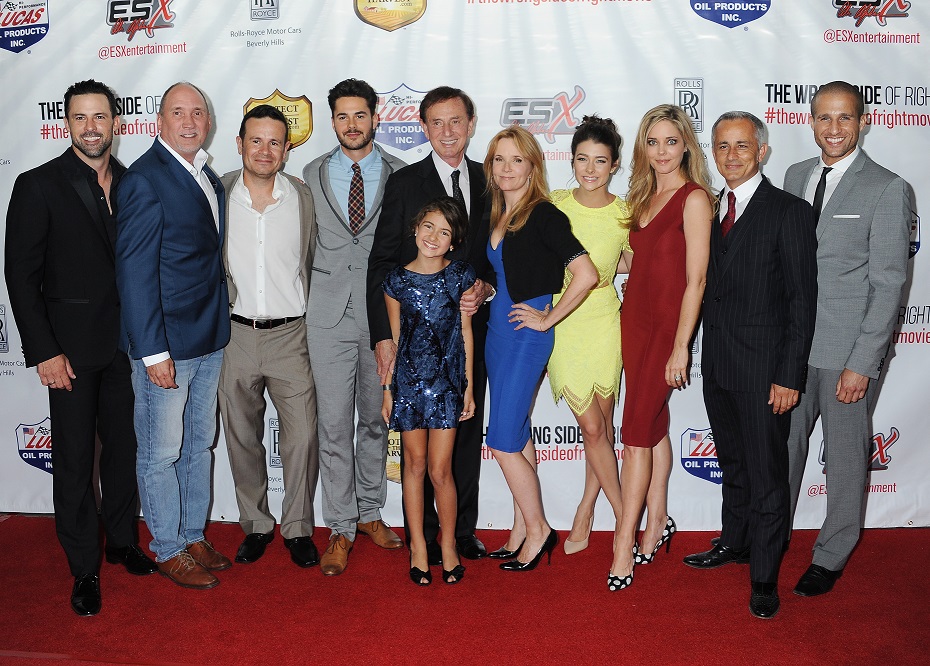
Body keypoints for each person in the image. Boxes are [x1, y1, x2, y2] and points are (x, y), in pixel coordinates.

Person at [4, 79, 157, 616]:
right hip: (68, 351)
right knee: (73, 460)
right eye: (80, 118)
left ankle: (121, 542)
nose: (91, 128)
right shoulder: (38, 183)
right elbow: (20, 277)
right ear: (66, 123)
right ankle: (83, 568)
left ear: (117, 122)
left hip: (127, 347)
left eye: (100, 117)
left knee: (123, 451)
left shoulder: (134, 183)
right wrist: (44, 350)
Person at [682, 112, 817, 619]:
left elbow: (802, 302)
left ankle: (763, 576)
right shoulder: (710, 207)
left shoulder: (790, 211)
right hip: (718, 365)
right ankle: (735, 542)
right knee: (734, 464)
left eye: (742, 146)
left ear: (762, 151)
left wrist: (789, 375)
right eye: (722, 146)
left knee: (766, 475)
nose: (732, 155)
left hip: (765, 373)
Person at [784, 81, 910, 597]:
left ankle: (831, 555)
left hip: (847, 350)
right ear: (811, 121)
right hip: (794, 348)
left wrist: (863, 361)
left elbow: (889, 284)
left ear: (863, 121)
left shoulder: (887, 187)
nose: (833, 128)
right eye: (824, 117)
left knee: (843, 459)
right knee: (783, 450)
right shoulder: (794, 176)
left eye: (844, 118)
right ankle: (769, 537)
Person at [368, 86, 491, 564]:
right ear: (422, 127)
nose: (447, 132)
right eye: (436, 122)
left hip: (468, 335)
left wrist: (486, 289)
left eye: (456, 121)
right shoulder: (404, 183)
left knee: (465, 433)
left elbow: (497, 256)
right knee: (418, 458)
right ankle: (423, 538)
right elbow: (382, 264)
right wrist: (384, 337)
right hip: (414, 344)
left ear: (471, 123)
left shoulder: (489, 180)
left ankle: (460, 533)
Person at [115, 81, 232, 590]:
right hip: (166, 344)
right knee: (160, 452)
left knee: (199, 446)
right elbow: (134, 272)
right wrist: (152, 351)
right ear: (159, 122)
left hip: (209, 337)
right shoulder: (144, 179)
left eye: (198, 112)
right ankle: (167, 547)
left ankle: (191, 534)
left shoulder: (206, 174)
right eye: (178, 112)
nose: (189, 121)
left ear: (209, 121)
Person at [478, 125, 598, 572]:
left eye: (517, 160)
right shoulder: (496, 214)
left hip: (527, 336)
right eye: (499, 159)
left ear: (533, 166)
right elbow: (503, 274)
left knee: (501, 440)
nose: (507, 168)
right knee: (517, 432)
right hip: (497, 334)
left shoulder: (544, 215)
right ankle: (519, 530)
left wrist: (548, 318)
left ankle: (539, 529)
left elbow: (586, 274)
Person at [302, 79, 406, 576]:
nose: (351, 124)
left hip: (382, 315)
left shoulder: (401, 174)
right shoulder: (312, 172)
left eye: (360, 115)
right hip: (327, 316)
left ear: (375, 117)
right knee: (333, 426)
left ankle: (369, 512)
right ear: (332, 121)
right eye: (342, 116)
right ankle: (339, 527)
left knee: (375, 422)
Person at [612, 104, 714, 591]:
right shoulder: (643, 197)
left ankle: (623, 544)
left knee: (635, 435)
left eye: (671, 141)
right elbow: (638, 260)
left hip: (665, 331)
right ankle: (657, 521)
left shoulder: (694, 199)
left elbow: (696, 280)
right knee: (651, 426)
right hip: (633, 323)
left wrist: (681, 347)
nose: (661, 152)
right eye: (652, 142)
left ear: (686, 145)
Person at [218, 105, 320, 569]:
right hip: (234, 334)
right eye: (255, 140)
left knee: (302, 438)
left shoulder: (303, 198)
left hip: (290, 335)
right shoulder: (217, 192)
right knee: (242, 436)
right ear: (240, 144)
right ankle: (256, 524)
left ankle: (297, 527)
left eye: (274, 142)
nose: (264, 150)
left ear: (286, 148)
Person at [544, 117, 631, 579]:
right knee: (593, 428)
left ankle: (585, 509)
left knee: (603, 431)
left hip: (604, 322)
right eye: (582, 159)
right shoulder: (553, 204)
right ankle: (625, 519)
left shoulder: (626, 212)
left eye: (600, 161)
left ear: (614, 165)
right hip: (562, 322)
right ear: (571, 160)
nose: (590, 169)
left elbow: (633, 260)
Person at [381, 197, 477, 586]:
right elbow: (394, 339)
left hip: (447, 385)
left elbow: (466, 333)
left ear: (454, 241)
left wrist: (468, 387)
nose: (434, 237)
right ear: (415, 228)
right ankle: (418, 546)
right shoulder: (396, 281)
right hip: (407, 384)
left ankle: (448, 544)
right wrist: (388, 390)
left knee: (440, 470)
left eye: (444, 232)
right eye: (428, 227)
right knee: (414, 466)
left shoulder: (460, 276)